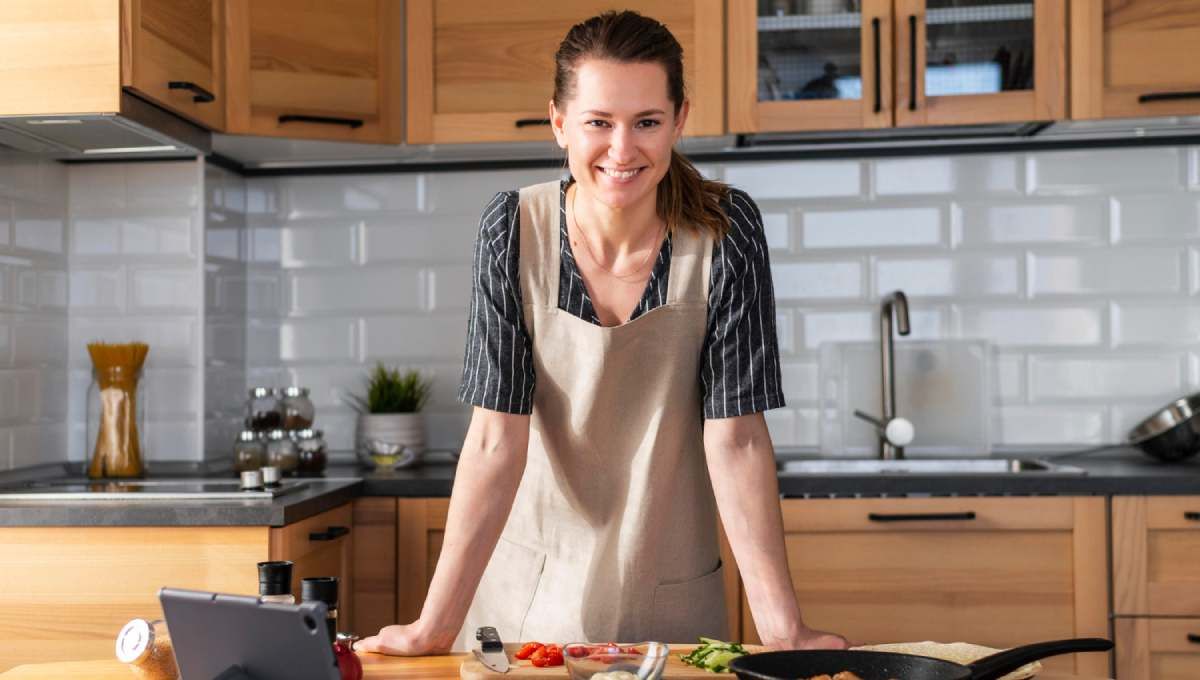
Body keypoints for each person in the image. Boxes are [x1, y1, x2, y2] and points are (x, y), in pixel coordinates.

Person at [356, 10, 848, 655]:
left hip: (670, 605)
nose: (623, 150)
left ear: (679, 120)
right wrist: (434, 628)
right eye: (598, 122)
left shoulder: (727, 230)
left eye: (646, 122)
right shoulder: (513, 229)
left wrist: (784, 632)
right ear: (559, 122)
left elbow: (738, 440)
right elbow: (494, 441)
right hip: (523, 610)